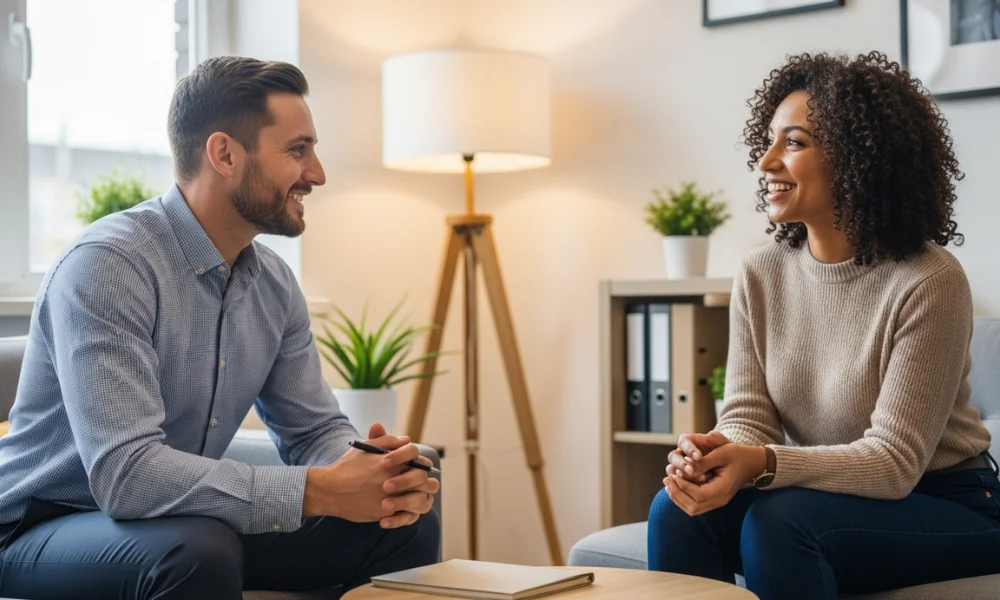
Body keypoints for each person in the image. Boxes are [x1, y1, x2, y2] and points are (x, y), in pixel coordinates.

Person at [0, 56, 440, 599]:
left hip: (175, 521)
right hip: (40, 527)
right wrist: (319, 490)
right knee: (196, 550)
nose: (318, 172)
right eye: (297, 149)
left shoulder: (273, 284)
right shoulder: (109, 265)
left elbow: (312, 430)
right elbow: (128, 475)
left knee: (401, 519)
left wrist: (375, 474)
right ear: (225, 154)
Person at [647, 50, 1000, 599]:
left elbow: (893, 463)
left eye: (794, 142)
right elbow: (747, 417)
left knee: (781, 520)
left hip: (949, 503)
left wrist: (760, 464)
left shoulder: (929, 279)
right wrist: (716, 454)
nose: (766, 162)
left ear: (859, 156)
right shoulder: (760, 271)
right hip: (827, 500)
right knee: (676, 509)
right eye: (768, 140)